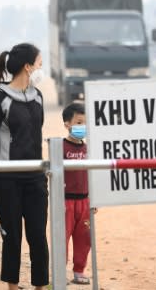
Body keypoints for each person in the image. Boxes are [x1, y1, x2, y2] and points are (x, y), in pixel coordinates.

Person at [0, 43, 49, 290]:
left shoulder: (38, 97)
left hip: (35, 179)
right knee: (12, 236)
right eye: (40, 64)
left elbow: (37, 133)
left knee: (38, 236)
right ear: (28, 67)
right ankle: (12, 285)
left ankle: (41, 284)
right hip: (6, 180)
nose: (42, 68)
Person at [62, 102, 94, 285]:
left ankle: (79, 271)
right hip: (66, 202)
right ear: (67, 124)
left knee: (84, 239)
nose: (83, 127)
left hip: (85, 201)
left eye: (85, 123)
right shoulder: (60, 147)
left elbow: (92, 175)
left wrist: (94, 201)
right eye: (79, 122)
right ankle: (61, 271)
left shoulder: (88, 149)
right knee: (62, 239)